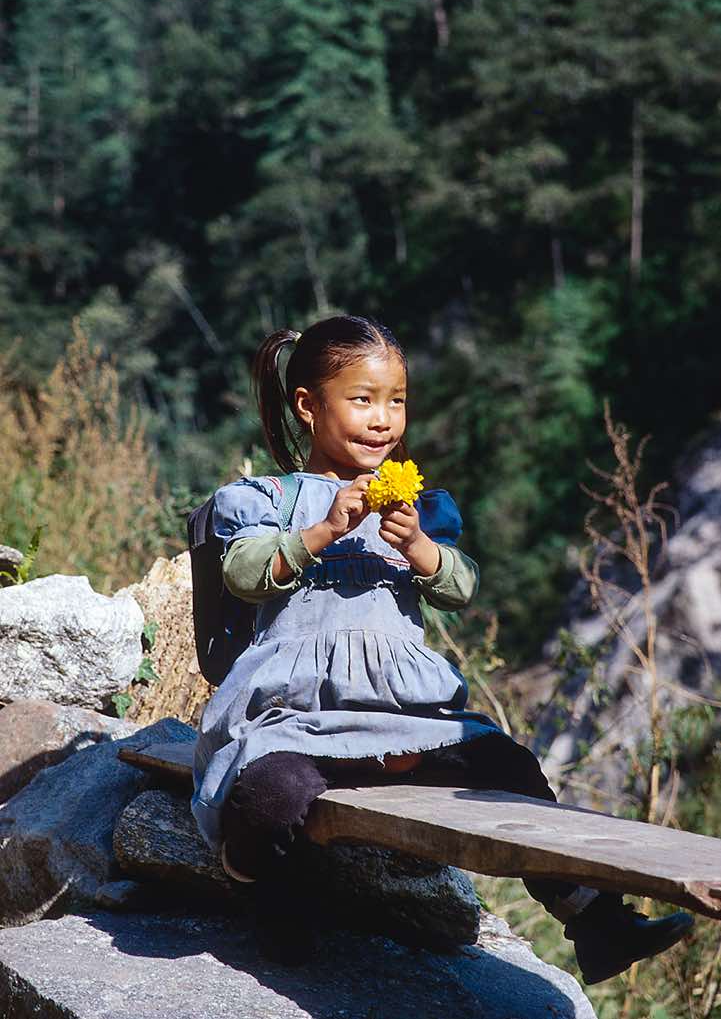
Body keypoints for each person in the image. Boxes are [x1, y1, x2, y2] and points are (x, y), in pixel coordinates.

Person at [191, 314, 693, 980]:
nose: (383, 419)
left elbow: (458, 586)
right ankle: (265, 892)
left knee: (508, 765)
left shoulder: (420, 507)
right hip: (295, 716)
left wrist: (417, 547)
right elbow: (243, 573)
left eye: (395, 400)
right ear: (308, 405)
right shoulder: (265, 499)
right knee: (272, 793)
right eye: (362, 399)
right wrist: (323, 529)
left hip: (404, 720)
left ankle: (597, 920)